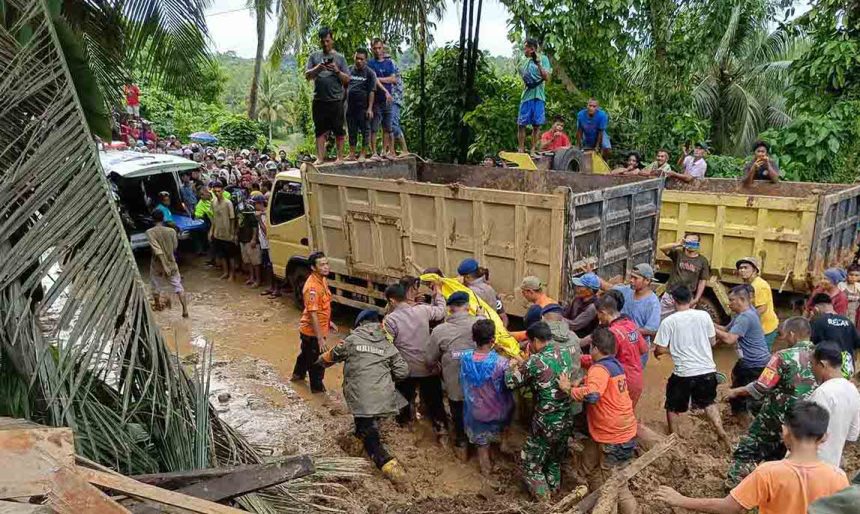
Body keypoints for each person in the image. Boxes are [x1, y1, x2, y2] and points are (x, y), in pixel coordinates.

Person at [656, 401, 849, 514]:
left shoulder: (768, 473)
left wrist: (680, 500)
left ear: (784, 432)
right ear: (824, 437)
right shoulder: (838, 477)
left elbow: (728, 507)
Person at [723, 316, 817, 486]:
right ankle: (774, 488)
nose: (784, 338)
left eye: (784, 335)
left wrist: (735, 391)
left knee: (748, 449)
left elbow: (761, 387)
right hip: (807, 419)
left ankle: (735, 489)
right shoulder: (822, 357)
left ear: (792, 334)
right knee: (783, 456)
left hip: (776, 417)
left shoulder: (783, 356)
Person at [317, 310, 408, 482]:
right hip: (385, 397)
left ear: (360, 325)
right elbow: (403, 372)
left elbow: (328, 358)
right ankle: (356, 444)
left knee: (373, 441)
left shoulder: (351, 341)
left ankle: (392, 470)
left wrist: (318, 363)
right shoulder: (388, 344)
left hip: (361, 397)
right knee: (364, 425)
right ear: (378, 324)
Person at [559, 327, 638, 514]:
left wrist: (568, 389)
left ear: (594, 348)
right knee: (589, 466)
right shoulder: (615, 366)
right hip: (619, 431)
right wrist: (585, 381)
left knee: (617, 486)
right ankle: (595, 498)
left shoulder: (599, 369)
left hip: (612, 436)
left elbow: (593, 395)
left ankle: (612, 508)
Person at [505, 321, 575, 501]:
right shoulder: (565, 352)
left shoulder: (536, 361)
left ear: (535, 341)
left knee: (531, 464)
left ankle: (545, 503)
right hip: (566, 418)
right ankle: (556, 492)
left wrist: (512, 366)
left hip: (546, 422)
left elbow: (511, 382)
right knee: (553, 460)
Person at [654, 286, 730, 449]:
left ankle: (674, 440)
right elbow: (712, 342)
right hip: (708, 370)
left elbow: (659, 350)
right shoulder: (704, 316)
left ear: (674, 301)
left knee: (672, 407)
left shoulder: (669, 321)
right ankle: (721, 431)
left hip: (683, 373)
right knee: (709, 403)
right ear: (691, 299)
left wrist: (674, 348)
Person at [383, 282, 449, 438]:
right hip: (428, 367)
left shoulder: (390, 320)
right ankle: (441, 430)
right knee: (435, 402)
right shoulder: (422, 310)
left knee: (403, 400)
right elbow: (441, 311)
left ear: (392, 301)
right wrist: (438, 294)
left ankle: (406, 428)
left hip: (405, 370)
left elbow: (387, 346)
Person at [426, 292, 480, 456]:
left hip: (455, 384)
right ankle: (481, 444)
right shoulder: (481, 322)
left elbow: (429, 359)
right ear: (467, 306)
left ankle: (461, 444)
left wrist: (438, 366)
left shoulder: (440, 330)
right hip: (479, 384)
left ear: (449, 309)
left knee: (457, 411)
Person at [459, 319, 514, 476]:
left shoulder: (465, 358)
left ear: (473, 338)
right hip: (499, 412)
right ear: (492, 340)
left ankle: (486, 472)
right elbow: (509, 384)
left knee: (481, 444)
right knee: (511, 404)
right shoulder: (501, 363)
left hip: (475, 412)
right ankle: (504, 442)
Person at [716, 285, 773, 417]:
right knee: (737, 374)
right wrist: (706, 322)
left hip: (754, 364)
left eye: (732, 300)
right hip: (754, 361)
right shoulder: (746, 313)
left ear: (741, 300)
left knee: (740, 397)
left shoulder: (745, 318)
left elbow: (729, 339)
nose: (729, 304)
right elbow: (725, 329)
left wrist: (711, 329)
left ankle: (742, 422)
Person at [809, 341, 860, 468]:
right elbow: (853, 434)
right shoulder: (853, 390)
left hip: (812, 463)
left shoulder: (823, 392)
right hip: (833, 464)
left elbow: (808, 432)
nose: (811, 369)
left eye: (812, 364)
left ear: (822, 364)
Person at [305, 27, 350, 165]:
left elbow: (347, 80)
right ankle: (320, 157)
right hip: (319, 100)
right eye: (322, 41)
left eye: (327, 41)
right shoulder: (314, 57)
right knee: (319, 130)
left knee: (338, 129)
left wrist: (337, 71)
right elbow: (307, 76)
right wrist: (319, 67)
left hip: (336, 100)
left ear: (332, 40)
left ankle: (340, 157)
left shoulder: (340, 58)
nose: (325, 44)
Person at [292, 252, 336, 393]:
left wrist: (329, 322)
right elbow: (313, 314)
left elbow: (323, 306)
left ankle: (297, 375)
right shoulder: (312, 288)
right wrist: (320, 340)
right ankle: (318, 391)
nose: (326, 267)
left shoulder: (322, 280)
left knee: (306, 354)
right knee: (317, 363)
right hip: (312, 332)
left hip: (316, 329)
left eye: (326, 263)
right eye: (321, 265)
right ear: (313, 267)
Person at [596, 292, 647, 406]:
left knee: (615, 416)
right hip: (636, 378)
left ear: (603, 313)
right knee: (627, 415)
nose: (598, 318)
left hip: (622, 382)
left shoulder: (612, 333)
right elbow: (644, 349)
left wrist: (580, 358)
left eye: (598, 314)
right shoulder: (631, 324)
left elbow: (603, 360)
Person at [606, 263, 661, 365]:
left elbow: (652, 330)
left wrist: (626, 330)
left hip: (636, 349)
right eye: (631, 277)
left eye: (635, 278)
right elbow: (609, 288)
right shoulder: (627, 290)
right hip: (619, 344)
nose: (631, 280)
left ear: (647, 281)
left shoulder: (653, 303)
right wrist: (592, 277)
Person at [146, 209, 188, 317]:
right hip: (171, 262)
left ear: (152, 219)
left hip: (157, 264)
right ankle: (185, 310)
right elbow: (175, 247)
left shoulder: (150, 232)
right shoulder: (172, 231)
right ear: (163, 218)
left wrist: (164, 265)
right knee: (178, 287)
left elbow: (157, 250)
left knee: (156, 286)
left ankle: (158, 306)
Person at [658, 233, 710, 317]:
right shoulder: (678, 254)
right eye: (689, 241)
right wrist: (678, 244)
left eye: (694, 242)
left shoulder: (702, 261)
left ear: (698, 244)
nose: (691, 244)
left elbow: (702, 281)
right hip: (670, 295)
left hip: (687, 297)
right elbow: (662, 248)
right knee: (662, 320)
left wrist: (696, 299)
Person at [809, 293, 860, 377]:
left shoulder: (818, 322)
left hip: (829, 369)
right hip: (848, 368)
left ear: (816, 309)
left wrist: (811, 319)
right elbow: (857, 343)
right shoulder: (848, 321)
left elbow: (809, 344)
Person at [517, 38, 551, 154]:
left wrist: (538, 64)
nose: (524, 50)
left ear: (532, 49)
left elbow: (546, 78)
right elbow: (525, 79)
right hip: (526, 96)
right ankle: (521, 148)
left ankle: (532, 149)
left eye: (525, 48)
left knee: (537, 125)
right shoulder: (524, 62)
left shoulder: (544, 59)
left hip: (539, 96)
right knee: (522, 124)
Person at [736, 257, 779, 349]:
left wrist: (744, 320)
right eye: (740, 268)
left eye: (745, 268)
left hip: (766, 328)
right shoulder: (750, 284)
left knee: (761, 356)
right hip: (760, 327)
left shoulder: (759, 285)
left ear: (755, 270)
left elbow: (762, 308)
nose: (742, 270)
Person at [345, 48, 376, 163]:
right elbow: (344, 86)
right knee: (351, 131)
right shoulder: (349, 70)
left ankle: (363, 153)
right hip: (350, 107)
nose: (359, 61)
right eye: (357, 58)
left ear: (366, 60)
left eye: (361, 59)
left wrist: (370, 108)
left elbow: (372, 91)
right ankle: (352, 153)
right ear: (354, 57)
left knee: (365, 131)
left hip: (363, 107)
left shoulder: (370, 73)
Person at [368, 38, 397, 159]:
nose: (377, 51)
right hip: (375, 100)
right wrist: (383, 80)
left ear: (382, 48)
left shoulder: (389, 63)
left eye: (379, 48)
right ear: (371, 49)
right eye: (375, 48)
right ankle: (374, 152)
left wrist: (378, 79)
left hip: (388, 99)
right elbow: (371, 80)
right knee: (374, 128)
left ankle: (384, 152)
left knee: (387, 127)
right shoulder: (370, 64)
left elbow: (393, 80)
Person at [457, 258, 507, 326]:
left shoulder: (470, 291)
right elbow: (502, 314)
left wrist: (459, 286)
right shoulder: (490, 288)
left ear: (467, 277)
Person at [511, 276, 556, 342]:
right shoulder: (554, 303)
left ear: (531, 292)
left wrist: (509, 335)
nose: (523, 295)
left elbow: (531, 334)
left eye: (523, 292)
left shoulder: (536, 310)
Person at [209, 181, 237, 281]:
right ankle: (225, 272)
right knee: (222, 255)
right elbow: (213, 218)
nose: (217, 193)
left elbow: (232, 219)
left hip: (228, 234)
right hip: (218, 233)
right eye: (215, 191)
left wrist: (233, 233)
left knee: (231, 256)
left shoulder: (228, 203)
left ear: (223, 191)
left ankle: (232, 274)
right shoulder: (213, 202)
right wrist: (211, 231)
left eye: (219, 191)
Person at [562, 272, 601, 338]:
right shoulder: (577, 299)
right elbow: (566, 312)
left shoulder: (592, 307)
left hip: (581, 341)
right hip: (569, 334)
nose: (577, 288)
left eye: (580, 286)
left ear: (589, 291)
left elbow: (574, 325)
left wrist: (557, 318)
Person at [237, 196, 261, 287]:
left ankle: (258, 280)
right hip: (242, 238)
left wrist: (254, 238)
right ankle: (251, 277)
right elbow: (238, 223)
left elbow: (255, 226)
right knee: (248, 261)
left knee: (255, 262)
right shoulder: (238, 209)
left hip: (250, 238)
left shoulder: (249, 209)